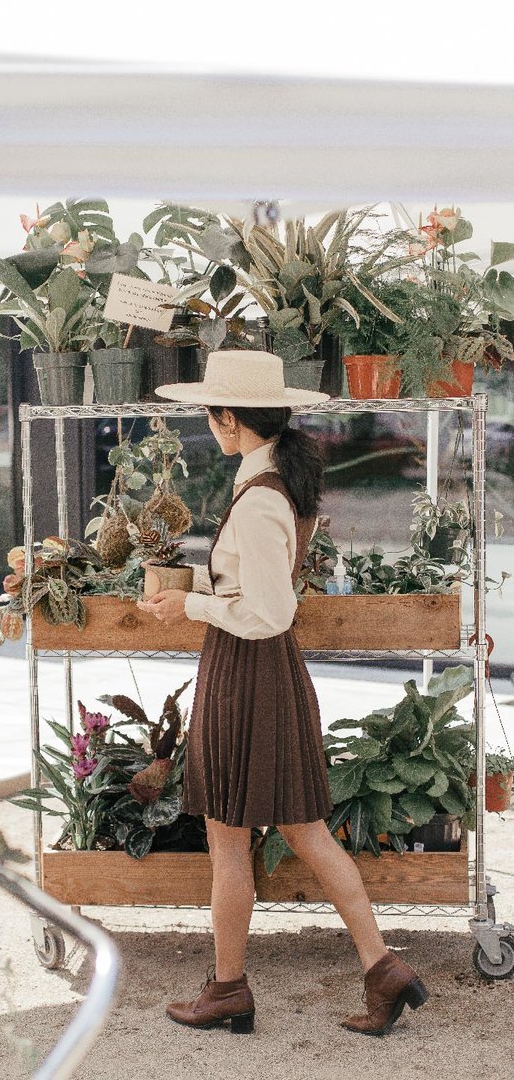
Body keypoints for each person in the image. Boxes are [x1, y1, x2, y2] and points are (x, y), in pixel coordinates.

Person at [137, 350, 428, 1037]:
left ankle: (233, 987)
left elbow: (271, 613)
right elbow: (255, 592)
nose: (209, 425)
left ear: (230, 419)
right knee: (297, 831)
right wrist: (196, 595)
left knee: (236, 838)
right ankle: (377, 967)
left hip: (251, 673)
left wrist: (193, 609)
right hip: (254, 672)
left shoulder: (261, 494)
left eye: (211, 414)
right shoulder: (267, 481)